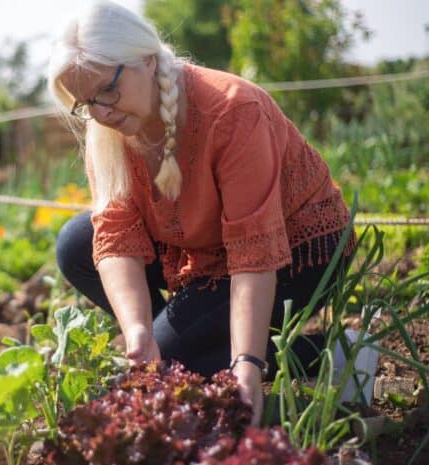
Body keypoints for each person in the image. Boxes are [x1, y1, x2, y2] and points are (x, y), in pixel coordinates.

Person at [47, 0, 355, 426]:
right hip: (207, 247)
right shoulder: (110, 130)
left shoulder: (232, 110)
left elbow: (254, 252)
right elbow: (116, 232)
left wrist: (246, 363)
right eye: (85, 103)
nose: (100, 112)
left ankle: (336, 354)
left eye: (107, 91)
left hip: (298, 248)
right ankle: (178, 346)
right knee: (76, 244)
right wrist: (138, 331)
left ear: (148, 62)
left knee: (175, 358)